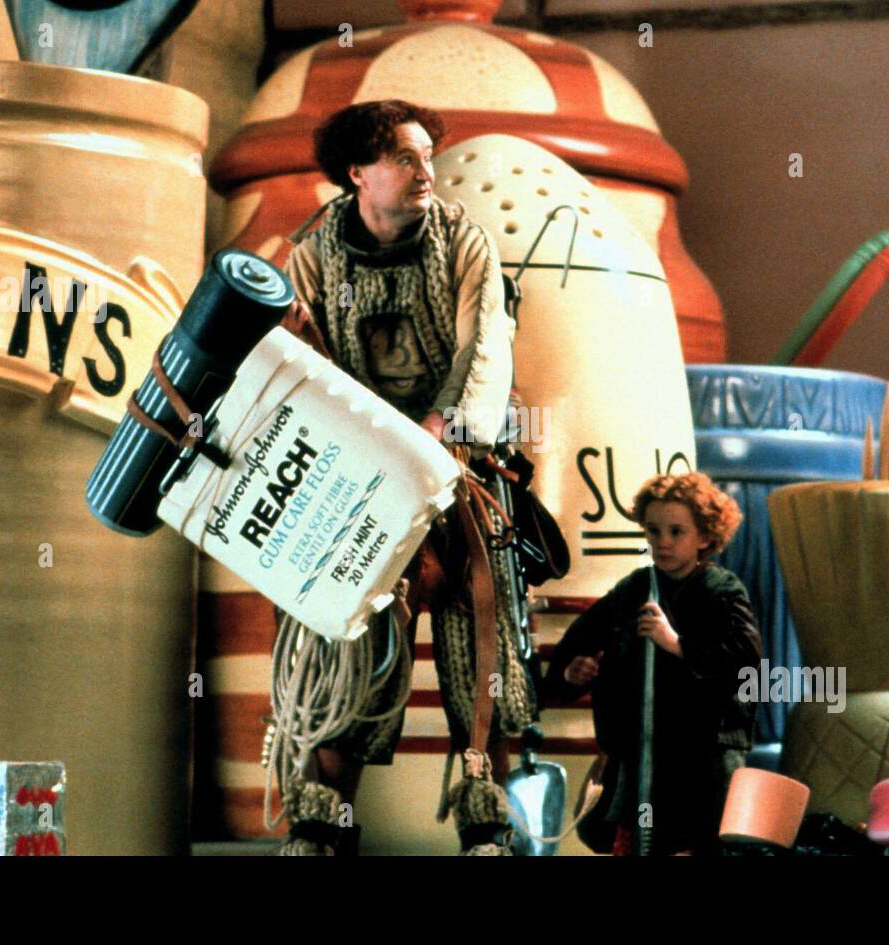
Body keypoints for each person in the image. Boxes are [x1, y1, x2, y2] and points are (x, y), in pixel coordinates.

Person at [273, 99, 533, 854]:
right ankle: (322, 822)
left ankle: (486, 824)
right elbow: (304, 361)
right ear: (358, 173)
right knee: (341, 645)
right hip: (356, 482)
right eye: (406, 159)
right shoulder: (314, 252)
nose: (427, 173)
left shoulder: (465, 243)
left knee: (481, 649)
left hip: (461, 471)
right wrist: (358, 451)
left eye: (429, 157)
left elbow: (484, 345)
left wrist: (442, 433)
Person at [542, 472, 762, 855]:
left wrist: (677, 644)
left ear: (706, 537)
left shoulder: (721, 591)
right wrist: (573, 671)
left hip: (702, 758)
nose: (662, 542)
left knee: (704, 844)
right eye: (654, 530)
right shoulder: (634, 590)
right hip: (641, 753)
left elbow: (746, 662)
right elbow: (580, 642)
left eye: (676, 532)